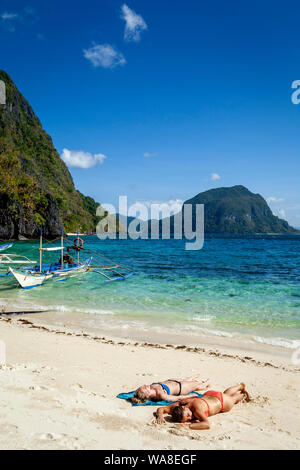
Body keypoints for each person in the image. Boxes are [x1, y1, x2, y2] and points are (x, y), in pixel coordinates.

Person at [156, 382, 250, 429]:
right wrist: (160, 415)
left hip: (221, 402)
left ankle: (243, 394)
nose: (190, 418)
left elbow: (207, 424)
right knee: (226, 394)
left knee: (233, 399)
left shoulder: (196, 410)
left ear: (184, 408)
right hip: (209, 394)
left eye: (188, 415)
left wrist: (188, 426)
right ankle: (239, 386)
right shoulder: (180, 404)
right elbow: (162, 408)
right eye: (188, 419)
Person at [131, 374, 211, 404]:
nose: (145, 385)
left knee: (186, 379)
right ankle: (208, 382)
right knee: (199, 386)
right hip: (181, 388)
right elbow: (176, 398)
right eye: (145, 388)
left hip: (174, 381)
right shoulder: (161, 395)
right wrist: (190, 396)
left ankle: (191, 378)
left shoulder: (152, 387)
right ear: (148, 395)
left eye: (143, 386)